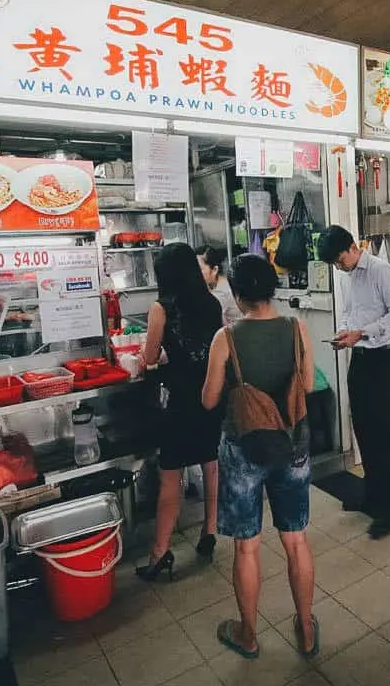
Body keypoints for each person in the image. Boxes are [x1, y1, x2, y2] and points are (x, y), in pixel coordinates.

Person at [202, 254, 317, 659]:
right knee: (296, 540)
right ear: (272, 288)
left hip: (243, 449)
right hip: (292, 445)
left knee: (247, 547)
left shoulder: (226, 338)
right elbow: (306, 383)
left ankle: (248, 635)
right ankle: (305, 629)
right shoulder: (296, 328)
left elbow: (209, 399)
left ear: (235, 293)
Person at [135, 243, 224, 581]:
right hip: (212, 395)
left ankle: (159, 553)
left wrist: (150, 355)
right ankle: (210, 531)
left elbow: (152, 357)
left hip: (182, 399)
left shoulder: (162, 308)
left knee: (170, 473)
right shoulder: (212, 303)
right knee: (210, 462)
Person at [317, 225, 390, 539]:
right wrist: (346, 332)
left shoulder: (381, 271)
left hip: (383, 358)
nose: (338, 267)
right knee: (363, 429)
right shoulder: (350, 276)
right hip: (360, 357)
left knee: (382, 434)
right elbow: (348, 312)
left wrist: (364, 332)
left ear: (353, 247)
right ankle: (372, 496)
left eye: (339, 260)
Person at [198, 244, 242, 326]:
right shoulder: (216, 285)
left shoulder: (221, 293)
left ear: (215, 270)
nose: (196, 273)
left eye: (199, 269)